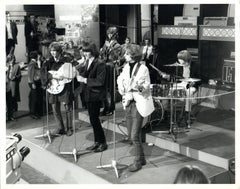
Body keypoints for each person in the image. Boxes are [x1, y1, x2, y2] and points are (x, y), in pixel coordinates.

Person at [117, 44, 154, 172]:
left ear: (133, 55)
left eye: (127, 53)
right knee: (132, 134)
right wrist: (121, 86)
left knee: (134, 135)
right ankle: (142, 158)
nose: (124, 55)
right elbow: (121, 81)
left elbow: (147, 85)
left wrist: (139, 87)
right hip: (128, 102)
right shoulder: (126, 67)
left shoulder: (143, 68)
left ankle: (137, 162)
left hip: (138, 102)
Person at [76, 42, 108, 153]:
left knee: (95, 119)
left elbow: (100, 81)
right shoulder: (87, 61)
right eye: (84, 51)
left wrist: (84, 80)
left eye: (87, 51)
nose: (85, 53)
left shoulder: (100, 63)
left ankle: (102, 142)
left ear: (93, 51)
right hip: (88, 94)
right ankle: (97, 142)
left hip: (96, 95)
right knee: (93, 120)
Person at [41, 42, 75, 136]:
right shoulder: (48, 61)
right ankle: (61, 128)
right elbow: (43, 73)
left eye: (55, 51)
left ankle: (69, 128)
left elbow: (71, 72)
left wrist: (62, 76)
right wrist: (51, 76)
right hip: (53, 87)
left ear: (59, 51)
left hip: (64, 87)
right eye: (51, 51)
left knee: (68, 107)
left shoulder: (66, 60)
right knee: (55, 109)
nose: (53, 53)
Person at [99, 26, 122, 116]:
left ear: (115, 35)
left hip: (111, 67)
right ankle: (106, 107)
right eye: (108, 33)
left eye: (111, 33)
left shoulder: (117, 45)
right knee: (104, 88)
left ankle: (111, 108)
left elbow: (117, 57)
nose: (109, 35)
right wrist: (102, 51)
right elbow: (102, 56)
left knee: (111, 88)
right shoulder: (105, 44)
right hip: (104, 66)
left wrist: (111, 48)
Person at [175, 50, 199, 128]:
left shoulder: (195, 66)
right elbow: (177, 78)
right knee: (171, 88)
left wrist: (193, 83)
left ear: (186, 59)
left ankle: (186, 113)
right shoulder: (179, 66)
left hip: (191, 85)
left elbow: (200, 80)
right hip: (183, 83)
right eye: (179, 59)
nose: (179, 61)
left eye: (181, 59)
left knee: (188, 92)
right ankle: (166, 111)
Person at [28, 51, 43, 119]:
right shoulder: (32, 64)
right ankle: (32, 113)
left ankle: (36, 112)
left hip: (35, 82)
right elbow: (30, 74)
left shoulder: (34, 63)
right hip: (33, 82)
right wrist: (33, 83)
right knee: (34, 98)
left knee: (35, 97)